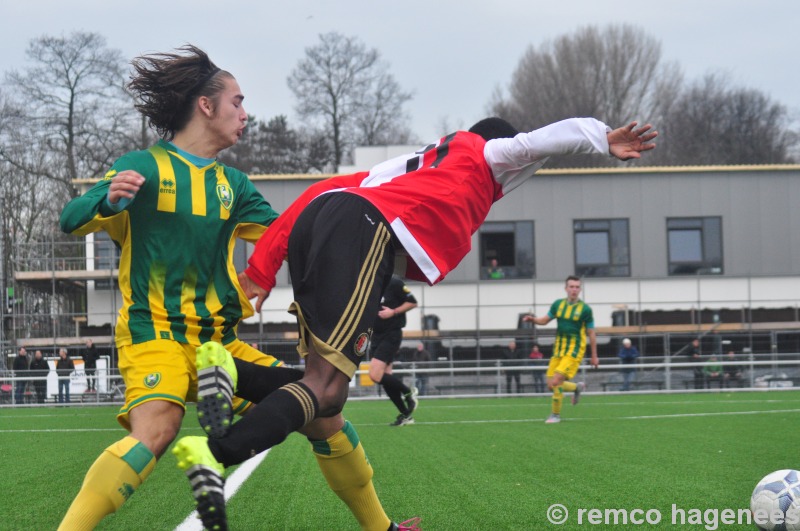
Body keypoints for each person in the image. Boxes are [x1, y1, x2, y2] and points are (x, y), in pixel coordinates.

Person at [170, 114, 656, 528]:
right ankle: (217, 454)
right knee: (328, 391)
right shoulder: (482, 152)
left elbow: (320, 192)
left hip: (324, 222)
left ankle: (231, 372)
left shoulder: (404, 169)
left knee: (322, 395)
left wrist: (262, 268)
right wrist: (600, 137)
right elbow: (538, 142)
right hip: (361, 234)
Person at [59, 45, 396, 531]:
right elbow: (71, 220)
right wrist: (110, 198)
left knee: (324, 408)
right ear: (205, 106)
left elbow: (288, 235)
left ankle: (383, 528)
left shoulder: (233, 185)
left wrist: (354, 225)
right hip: (155, 337)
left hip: (221, 347)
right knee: (158, 430)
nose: (245, 113)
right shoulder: (145, 167)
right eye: (237, 102)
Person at [523, 276, 600, 423]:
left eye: (577, 287)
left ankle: (555, 415)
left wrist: (594, 355)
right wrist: (533, 319)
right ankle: (576, 387)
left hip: (574, 350)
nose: (574, 290)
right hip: (559, 349)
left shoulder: (585, 309)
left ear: (580, 289)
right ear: (566, 288)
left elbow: (591, 332)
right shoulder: (558, 305)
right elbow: (545, 320)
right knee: (551, 384)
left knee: (557, 380)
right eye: (571, 286)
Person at [367, 275, 419, 426]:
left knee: (375, 375)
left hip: (392, 334)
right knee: (386, 379)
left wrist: (393, 311)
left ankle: (409, 392)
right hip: (376, 336)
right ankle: (406, 415)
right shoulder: (368, 284)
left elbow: (412, 302)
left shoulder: (394, 283)